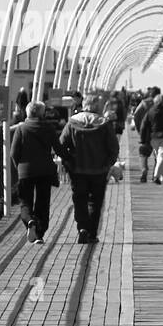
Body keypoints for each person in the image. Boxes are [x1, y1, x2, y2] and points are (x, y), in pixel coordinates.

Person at [60, 97, 119, 244]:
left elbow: (61, 145)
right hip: (99, 171)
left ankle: (82, 228)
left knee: (79, 200)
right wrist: (108, 164)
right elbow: (113, 147)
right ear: (97, 107)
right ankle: (92, 233)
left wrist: (68, 163)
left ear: (83, 106)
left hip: (77, 170)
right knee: (95, 202)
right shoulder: (104, 124)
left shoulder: (72, 123)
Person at [9, 100, 60, 244]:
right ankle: (39, 234)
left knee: (25, 203)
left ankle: (30, 221)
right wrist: (70, 159)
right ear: (41, 113)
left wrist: (19, 167)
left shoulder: (21, 129)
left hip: (25, 172)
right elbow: (58, 148)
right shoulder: (48, 128)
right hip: (45, 171)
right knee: (42, 203)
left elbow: (13, 153)